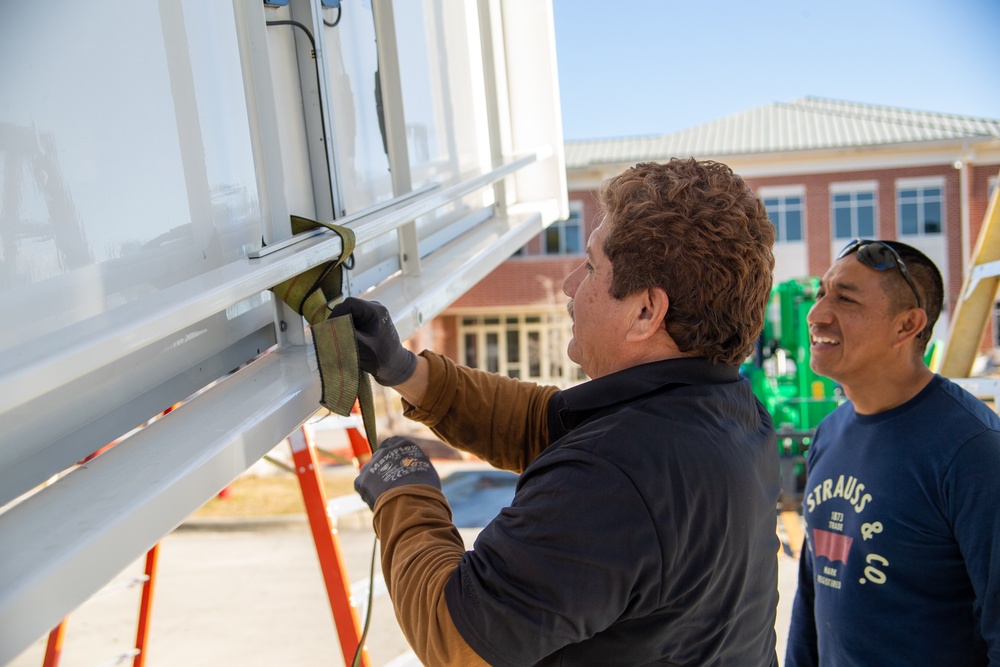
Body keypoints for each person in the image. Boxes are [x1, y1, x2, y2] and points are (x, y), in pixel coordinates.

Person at [334, 158, 780, 666]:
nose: (570, 286)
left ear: (645, 312)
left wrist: (403, 493)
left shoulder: (620, 474)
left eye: (591, 267)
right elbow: (545, 423)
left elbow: (456, 636)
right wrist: (407, 371)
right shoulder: (727, 414)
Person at [785, 239, 1000, 666]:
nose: (816, 315)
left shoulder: (972, 450)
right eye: (821, 295)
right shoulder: (829, 434)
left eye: (845, 299)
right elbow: (813, 590)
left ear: (907, 326)